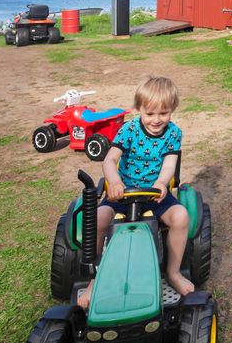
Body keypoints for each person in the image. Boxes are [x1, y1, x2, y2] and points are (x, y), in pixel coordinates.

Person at [77, 76, 194, 308]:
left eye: (164, 113)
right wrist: (115, 181)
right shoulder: (128, 129)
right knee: (98, 219)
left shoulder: (173, 133)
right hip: (123, 194)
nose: (157, 120)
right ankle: (95, 278)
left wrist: (162, 182)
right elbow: (110, 159)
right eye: (150, 114)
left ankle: (173, 272)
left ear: (172, 110)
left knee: (181, 216)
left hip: (155, 195)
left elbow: (170, 164)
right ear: (139, 109)